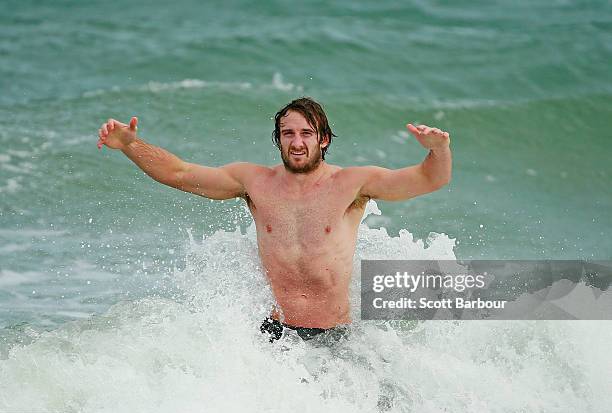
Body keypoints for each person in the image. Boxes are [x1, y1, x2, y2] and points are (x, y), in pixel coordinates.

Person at [96, 97, 451, 341]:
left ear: (323, 139)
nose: (297, 142)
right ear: (278, 140)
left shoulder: (353, 184)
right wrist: (131, 145)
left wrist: (439, 150)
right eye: (288, 134)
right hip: (274, 336)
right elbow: (180, 173)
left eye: (306, 133)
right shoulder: (254, 183)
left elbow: (430, 179)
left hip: (336, 337)